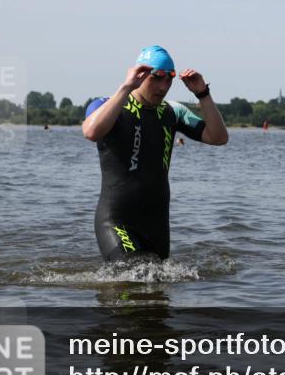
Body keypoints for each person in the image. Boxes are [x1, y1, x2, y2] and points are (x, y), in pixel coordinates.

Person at [82, 46, 228, 262]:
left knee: (157, 283)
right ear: (139, 76)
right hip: (116, 221)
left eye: (169, 79)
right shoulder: (107, 105)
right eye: (157, 78)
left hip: (156, 225)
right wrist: (126, 87)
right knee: (129, 277)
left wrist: (202, 94)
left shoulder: (173, 112)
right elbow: (91, 131)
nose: (163, 87)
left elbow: (218, 137)